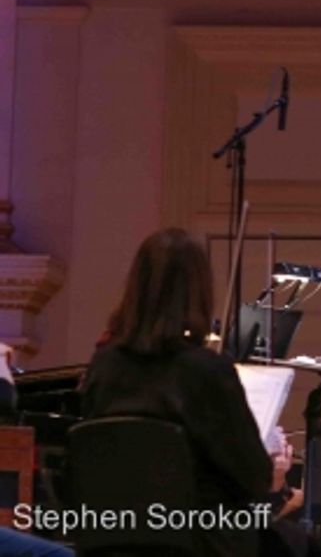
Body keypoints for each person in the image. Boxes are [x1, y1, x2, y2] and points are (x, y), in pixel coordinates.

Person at [81, 228, 273, 557]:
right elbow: (254, 477)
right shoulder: (206, 371)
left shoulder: (103, 366)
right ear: (198, 291)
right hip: (200, 544)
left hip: (114, 540)